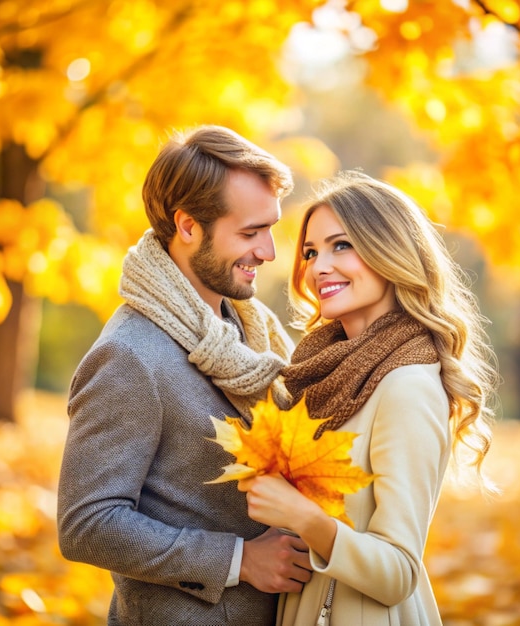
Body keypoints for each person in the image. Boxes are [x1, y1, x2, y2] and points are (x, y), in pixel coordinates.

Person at [57, 125, 313, 626]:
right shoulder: (128, 355)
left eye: (271, 228)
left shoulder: (252, 331)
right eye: (249, 232)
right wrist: (240, 560)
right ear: (188, 226)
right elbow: (86, 524)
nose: (269, 252)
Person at [238, 171, 499, 625]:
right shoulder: (321, 375)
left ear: (390, 252)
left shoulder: (407, 386)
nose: (319, 268)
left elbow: (399, 571)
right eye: (311, 252)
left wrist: (305, 518)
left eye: (342, 245)